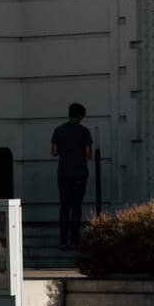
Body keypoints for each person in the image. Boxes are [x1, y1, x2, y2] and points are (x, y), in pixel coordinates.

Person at [50, 103, 94, 249]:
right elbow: (88, 154)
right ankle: (74, 240)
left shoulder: (59, 130)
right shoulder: (84, 131)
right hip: (80, 173)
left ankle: (63, 240)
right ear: (81, 115)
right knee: (76, 206)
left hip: (63, 172)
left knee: (64, 207)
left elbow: (54, 152)